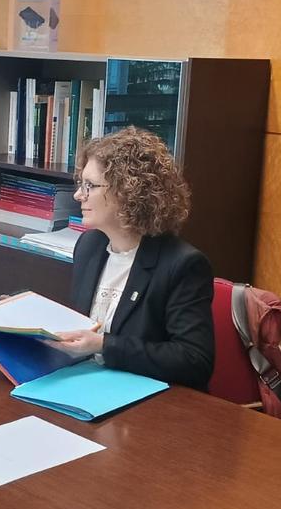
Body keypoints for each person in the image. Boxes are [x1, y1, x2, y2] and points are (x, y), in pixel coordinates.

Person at [45, 126, 215, 389]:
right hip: (86, 384)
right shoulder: (90, 245)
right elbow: (81, 324)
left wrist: (104, 345)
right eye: (81, 184)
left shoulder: (182, 265)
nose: (79, 195)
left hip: (146, 401)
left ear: (127, 192)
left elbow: (194, 361)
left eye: (90, 185)